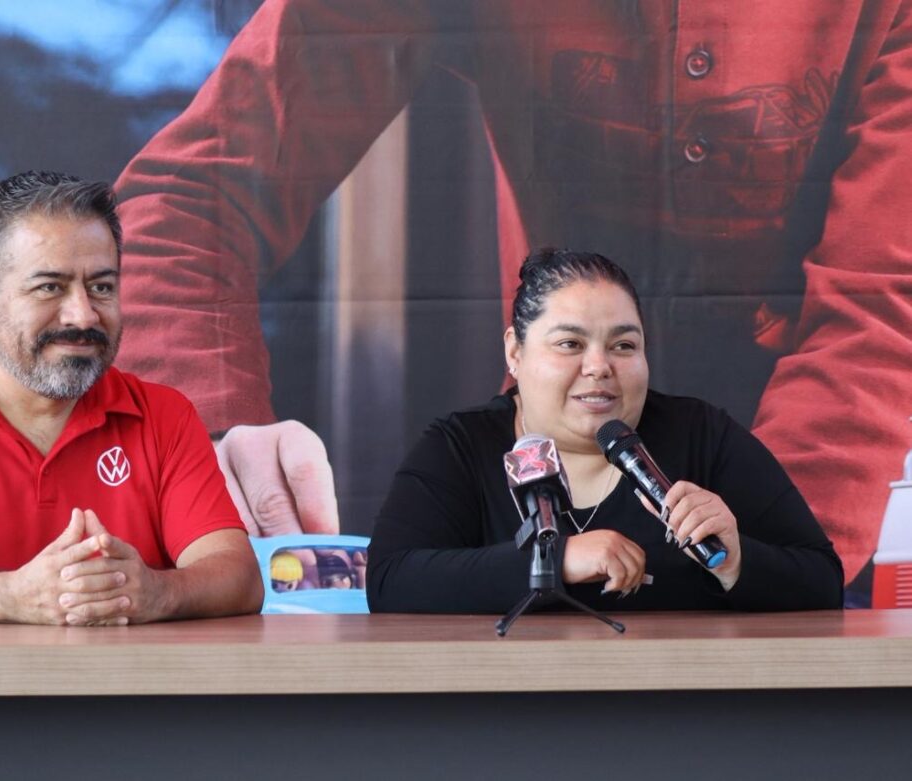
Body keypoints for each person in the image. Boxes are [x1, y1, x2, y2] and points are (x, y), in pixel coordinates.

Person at [113, 0, 912, 595]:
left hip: (803, 508)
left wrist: (750, 568)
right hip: (541, 507)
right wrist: (214, 434)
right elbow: (187, 209)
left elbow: (876, 306)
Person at [0, 171, 263, 625]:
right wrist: (13, 597)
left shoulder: (164, 415)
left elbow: (238, 576)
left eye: (101, 287)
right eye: (49, 287)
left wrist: (158, 593)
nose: (83, 315)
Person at [366, 249, 843, 613]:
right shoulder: (462, 446)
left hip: (677, 701)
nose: (599, 367)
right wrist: (556, 561)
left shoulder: (702, 437)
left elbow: (822, 581)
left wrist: (737, 560)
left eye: (623, 346)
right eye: (570, 344)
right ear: (515, 352)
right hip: (511, 704)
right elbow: (390, 581)